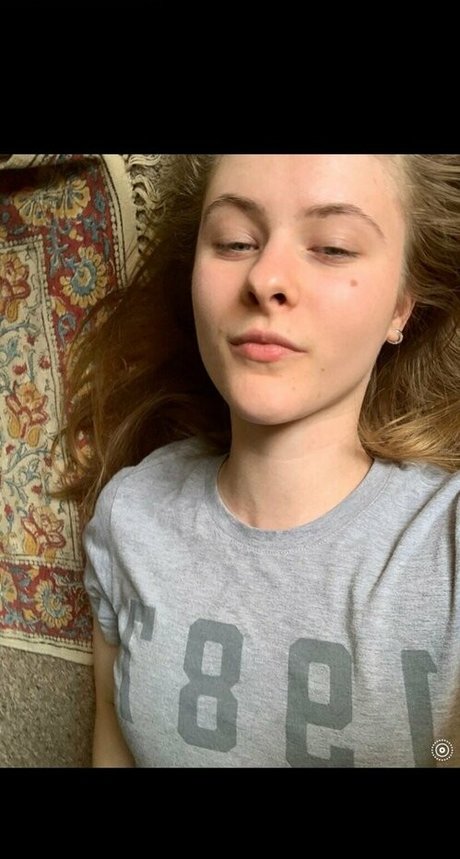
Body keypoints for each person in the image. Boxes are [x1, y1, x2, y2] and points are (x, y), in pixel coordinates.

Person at [61, 154, 460, 768]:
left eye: (332, 247)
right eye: (235, 241)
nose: (265, 277)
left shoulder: (444, 545)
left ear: (401, 308)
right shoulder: (130, 515)